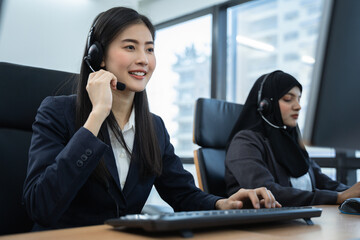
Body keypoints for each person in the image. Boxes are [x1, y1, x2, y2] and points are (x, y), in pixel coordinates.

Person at [23, 7, 280, 231]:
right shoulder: (57, 112)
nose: (143, 60)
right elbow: (41, 205)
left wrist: (225, 203)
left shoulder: (154, 127)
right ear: (97, 55)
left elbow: (183, 195)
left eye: (150, 49)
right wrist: (97, 114)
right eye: (130, 47)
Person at [225, 70, 360, 207]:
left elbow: (320, 180)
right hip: (264, 225)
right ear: (265, 105)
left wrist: (350, 192)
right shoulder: (244, 143)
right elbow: (268, 193)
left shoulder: (290, 140)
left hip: (300, 218)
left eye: (299, 99)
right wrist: (338, 197)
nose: (298, 106)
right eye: (288, 99)